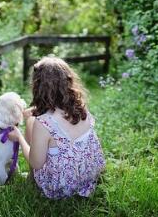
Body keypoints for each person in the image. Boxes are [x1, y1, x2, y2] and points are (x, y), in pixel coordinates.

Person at [8, 56, 105, 199]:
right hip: (88, 176)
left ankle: (32, 178)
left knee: (31, 121)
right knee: (35, 121)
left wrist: (20, 138)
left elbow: (37, 163)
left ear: (38, 86)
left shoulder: (43, 123)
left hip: (60, 186)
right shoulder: (81, 110)